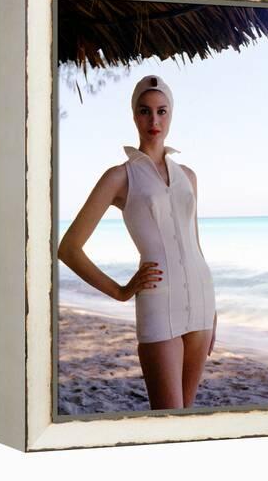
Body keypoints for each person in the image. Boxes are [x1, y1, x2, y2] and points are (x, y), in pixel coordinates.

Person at [58, 74, 217, 411]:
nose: (154, 120)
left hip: (203, 300)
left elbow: (195, 243)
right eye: (145, 111)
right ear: (134, 115)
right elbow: (69, 248)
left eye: (162, 111)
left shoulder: (189, 176)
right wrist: (120, 291)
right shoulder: (120, 176)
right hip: (158, 303)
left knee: (186, 417)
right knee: (167, 417)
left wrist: (214, 313)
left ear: (171, 114)